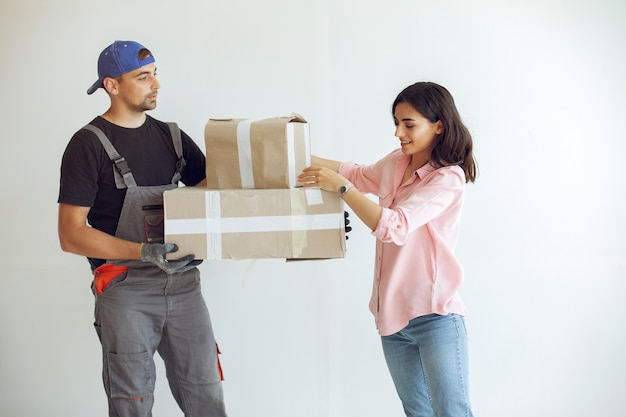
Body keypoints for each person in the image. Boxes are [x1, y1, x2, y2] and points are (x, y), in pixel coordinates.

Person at [57, 40, 227, 417]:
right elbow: (70, 233)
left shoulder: (173, 137)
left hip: (184, 287)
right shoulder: (88, 145)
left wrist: (302, 217)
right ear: (111, 85)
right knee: (132, 401)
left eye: (155, 74)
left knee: (206, 395)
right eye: (143, 76)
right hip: (126, 290)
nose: (156, 84)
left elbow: (218, 196)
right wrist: (141, 251)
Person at [299, 81, 477, 417]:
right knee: (417, 413)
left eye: (409, 124)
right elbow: (356, 173)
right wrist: (292, 153)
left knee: (452, 412)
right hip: (392, 319)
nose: (399, 132)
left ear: (438, 126)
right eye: (396, 123)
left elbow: (394, 226)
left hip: (435, 317)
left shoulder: (447, 179)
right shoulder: (396, 162)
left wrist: (342, 189)